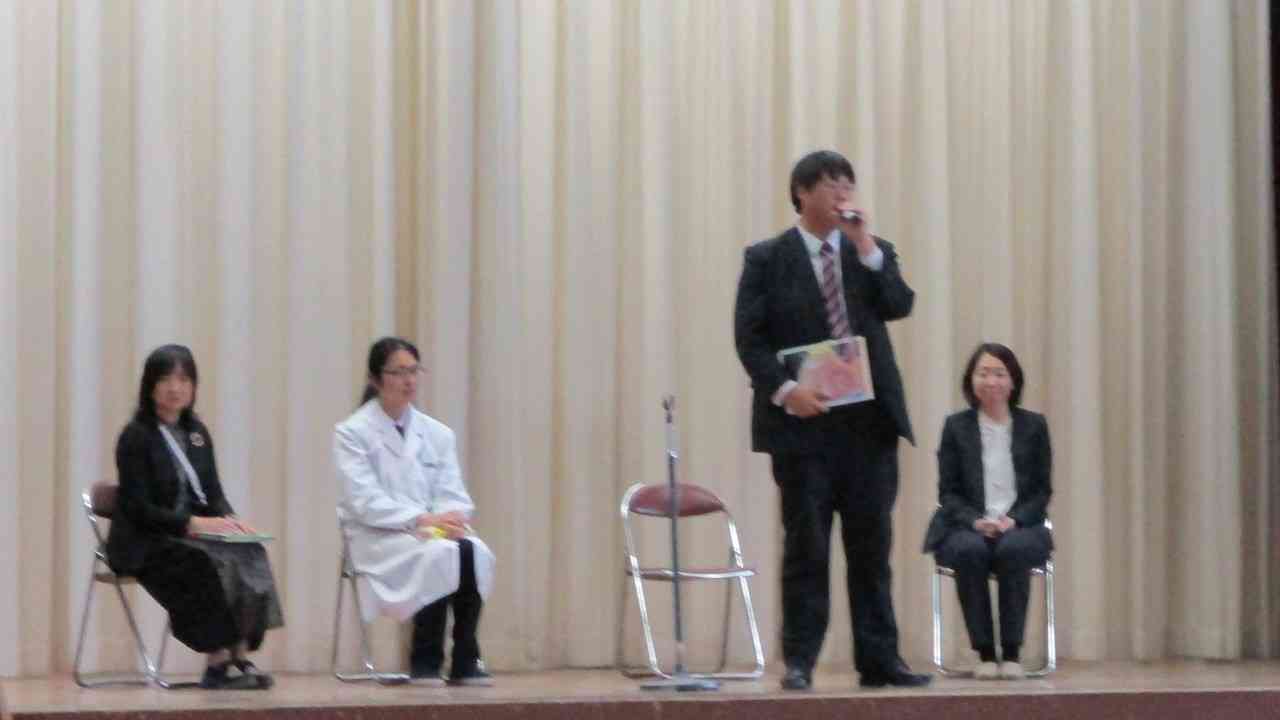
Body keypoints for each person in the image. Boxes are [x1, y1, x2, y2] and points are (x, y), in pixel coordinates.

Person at [734, 150, 929, 689]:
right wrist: (786, 390)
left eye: (847, 182)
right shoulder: (766, 259)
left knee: (872, 549)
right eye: (829, 183)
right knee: (807, 546)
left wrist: (866, 246)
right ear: (801, 192)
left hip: (868, 425)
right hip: (804, 426)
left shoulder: (871, 252)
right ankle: (799, 660)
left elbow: (899, 304)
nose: (842, 191)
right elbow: (749, 340)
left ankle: (880, 660)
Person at [107, 344, 283, 690]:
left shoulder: (197, 434)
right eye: (166, 379)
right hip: (146, 539)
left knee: (249, 552)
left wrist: (231, 522)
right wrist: (192, 524)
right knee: (202, 563)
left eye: (184, 379)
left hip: (189, 534)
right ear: (150, 386)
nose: (175, 388)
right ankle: (217, 663)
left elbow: (212, 492)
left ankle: (239, 654)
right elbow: (139, 508)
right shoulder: (136, 437)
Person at [333, 337, 496, 687]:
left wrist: (449, 518)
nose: (408, 380)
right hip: (379, 537)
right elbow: (363, 500)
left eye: (413, 371)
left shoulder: (437, 434)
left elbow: (452, 492)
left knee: (473, 549)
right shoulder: (352, 433)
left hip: (430, 532)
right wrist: (421, 519)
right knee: (439, 554)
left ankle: (465, 656)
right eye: (398, 372)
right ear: (376, 379)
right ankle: (425, 658)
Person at [922, 343, 1053, 680]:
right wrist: (974, 521)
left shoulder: (1034, 426)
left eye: (999, 373)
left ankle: (1011, 653)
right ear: (971, 380)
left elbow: (1041, 491)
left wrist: (1015, 520)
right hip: (966, 526)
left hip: (1021, 526)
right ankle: (984, 653)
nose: (991, 381)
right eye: (983, 373)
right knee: (968, 550)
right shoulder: (956, 427)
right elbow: (948, 492)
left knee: (1014, 549)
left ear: (1013, 381)